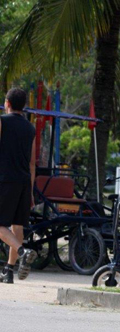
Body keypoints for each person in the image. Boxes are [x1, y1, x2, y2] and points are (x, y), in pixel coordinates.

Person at [0, 88, 38, 284]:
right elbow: (32, 162)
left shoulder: (2, 122)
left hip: (5, 179)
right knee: (17, 226)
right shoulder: (30, 128)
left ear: (7, 103)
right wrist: (30, 191)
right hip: (24, 181)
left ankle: (23, 252)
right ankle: (9, 270)